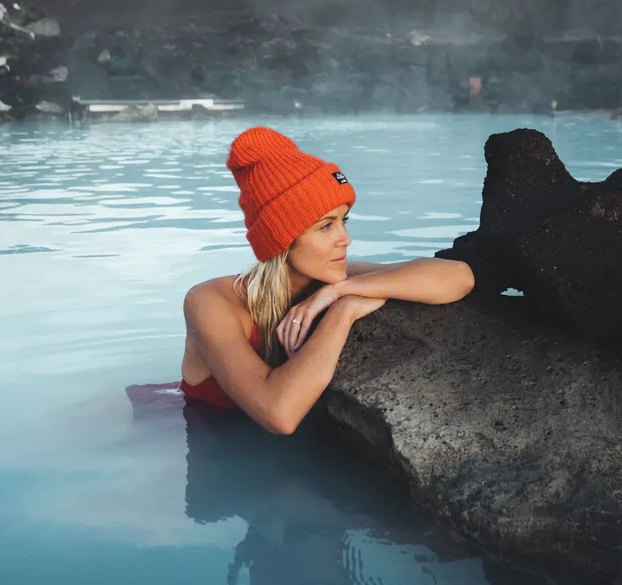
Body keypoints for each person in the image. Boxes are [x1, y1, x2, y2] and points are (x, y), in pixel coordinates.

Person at [180, 126, 474, 434]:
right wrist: (343, 314)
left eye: (343, 221)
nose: (345, 239)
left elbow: (458, 276)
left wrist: (341, 293)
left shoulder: (331, 278)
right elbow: (280, 414)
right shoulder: (211, 301)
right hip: (204, 435)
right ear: (281, 240)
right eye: (326, 226)